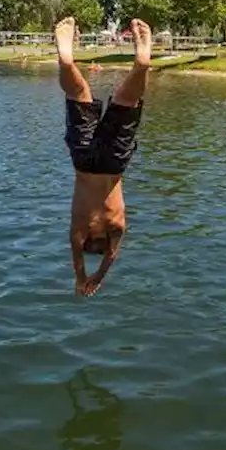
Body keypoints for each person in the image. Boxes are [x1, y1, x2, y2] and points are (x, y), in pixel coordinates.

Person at [56, 15, 152, 297]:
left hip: (113, 164)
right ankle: (66, 59)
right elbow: (77, 256)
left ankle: (142, 65)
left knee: (126, 101)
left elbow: (112, 255)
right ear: (87, 241)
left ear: (105, 240)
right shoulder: (79, 228)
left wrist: (98, 276)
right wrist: (83, 277)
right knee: (79, 92)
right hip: (84, 162)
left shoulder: (116, 225)